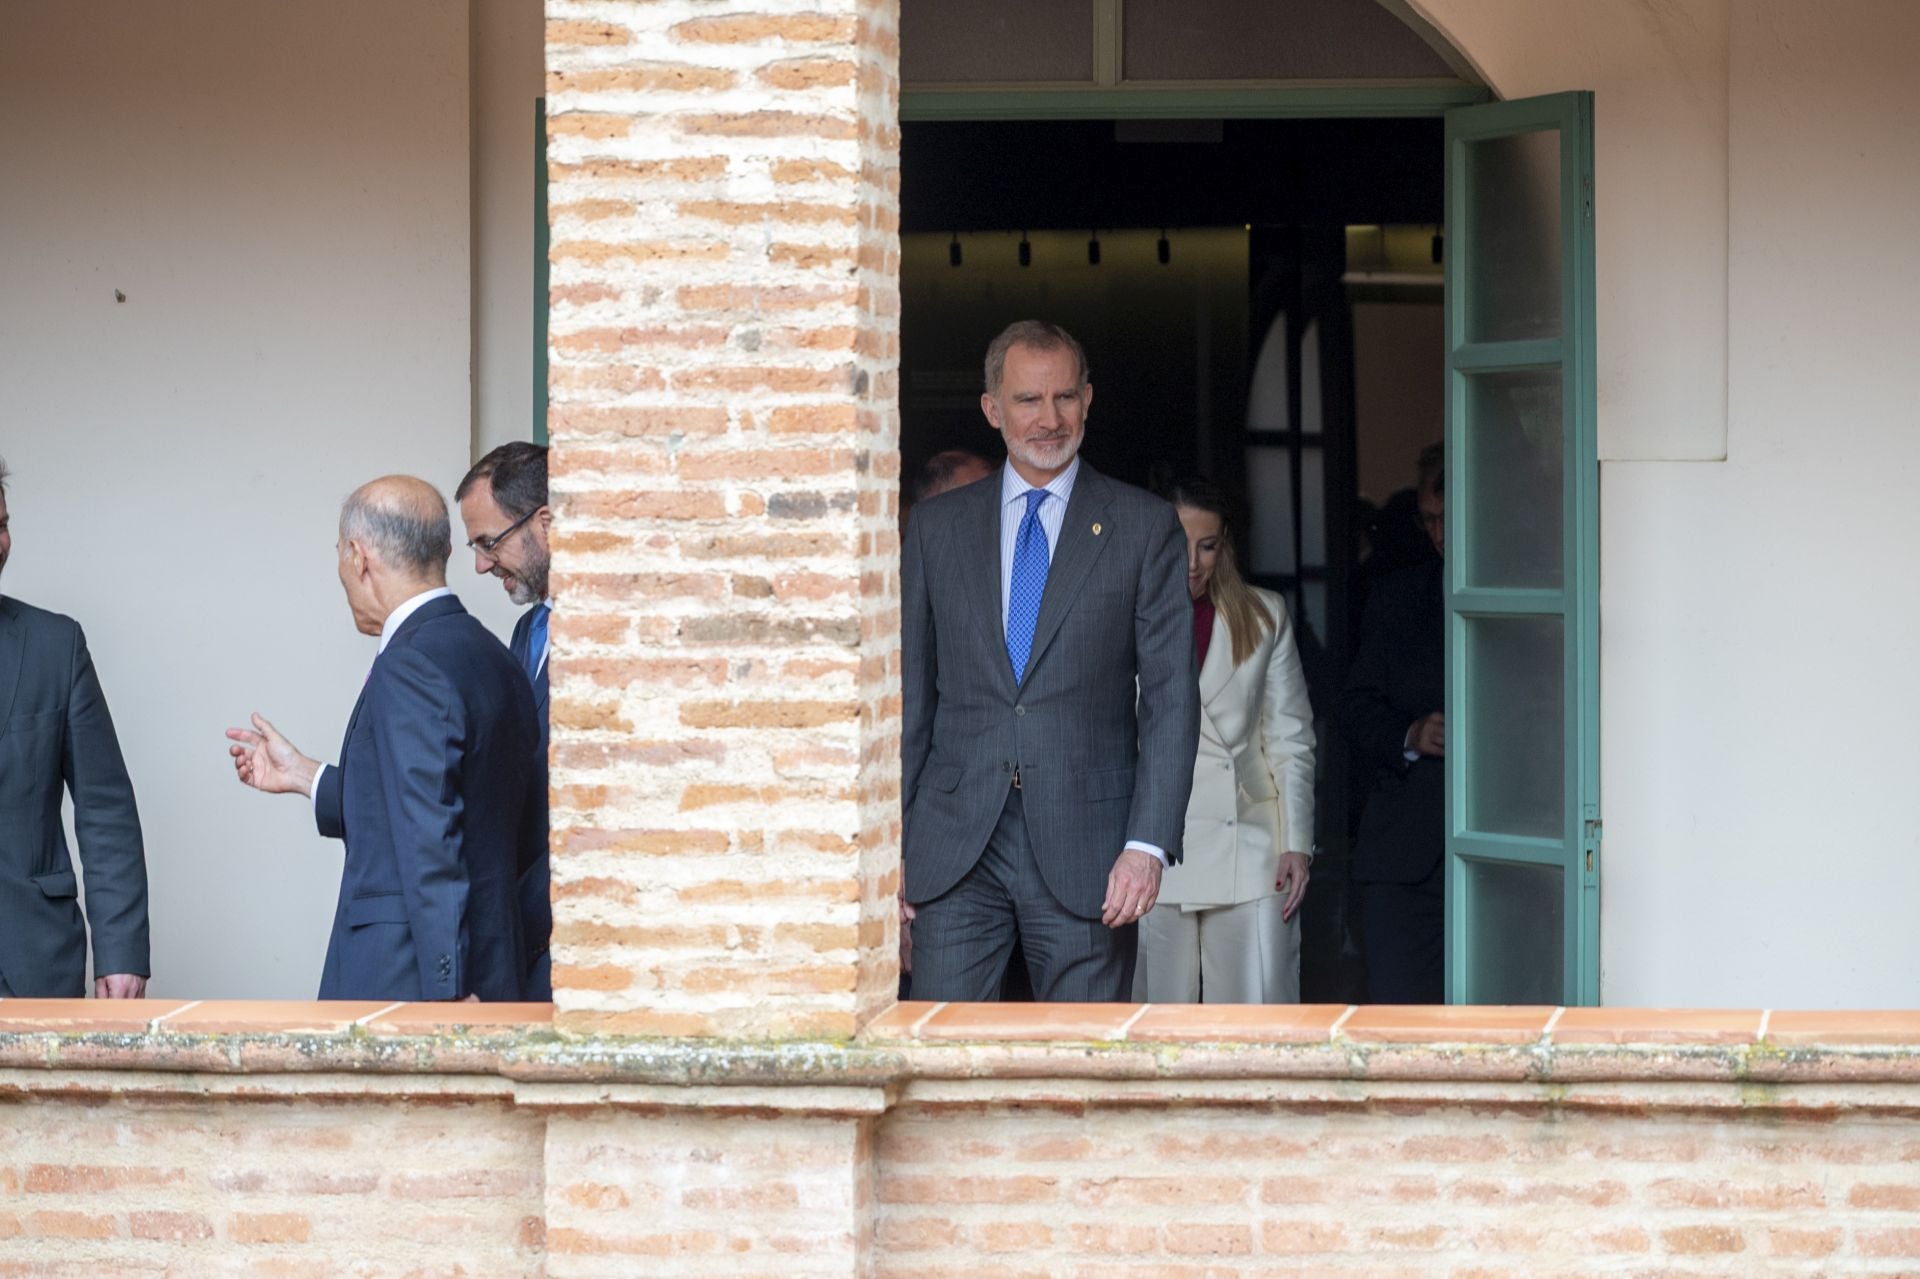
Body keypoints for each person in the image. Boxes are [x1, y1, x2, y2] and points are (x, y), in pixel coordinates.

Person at [900, 320, 1199, 1002]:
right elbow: (912, 695)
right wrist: (892, 845)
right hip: (952, 845)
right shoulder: (937, 529)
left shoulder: (1142, 525)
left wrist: (1147, 844)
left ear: (1088, 399)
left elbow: (1171, 696)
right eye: (1029, 400)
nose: (1049, 418)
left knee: (1082, 1071)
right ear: (992, 408)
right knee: (946, 1060)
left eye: (1064, 397)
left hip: (1089, 847)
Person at [225, 477, 538, 1001]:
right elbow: (444, 802)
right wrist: (306, 776)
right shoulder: (495, 657)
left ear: (358, 555)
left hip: (411, 986)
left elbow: (430, 834)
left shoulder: (410, 662)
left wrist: (447, 992)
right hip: (497, 966)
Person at [1133, 478, 1315, 1003]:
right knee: (1159, 1029)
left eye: (1207, 546)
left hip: (1252, 846)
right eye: (1176, 543)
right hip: (1152, 847)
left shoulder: (1263, 614)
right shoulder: (1120, 613)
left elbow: (1290, 738)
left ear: (1224, 547)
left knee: (1256, 1022)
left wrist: (1296, 843)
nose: (1191, 562)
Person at [0, 457, 150, 999]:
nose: (0, 542)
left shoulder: (55, 646)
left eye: (1, 525)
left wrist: (122, 951)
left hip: (33, 961)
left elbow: (105, 804)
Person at [1341, 443, 1446, 1003]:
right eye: (1429, 520)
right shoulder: (1396, 597)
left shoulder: (1544, 597)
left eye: (1449, 519)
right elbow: (1353, 708)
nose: (1439, 535)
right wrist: (1409, 735)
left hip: (1515, 860)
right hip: (1404, 859)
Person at [455, 442, 553, 1000]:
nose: (482, 564)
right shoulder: (527, 632)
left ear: (545, 522)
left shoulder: (612, 647)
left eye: (490, 542)